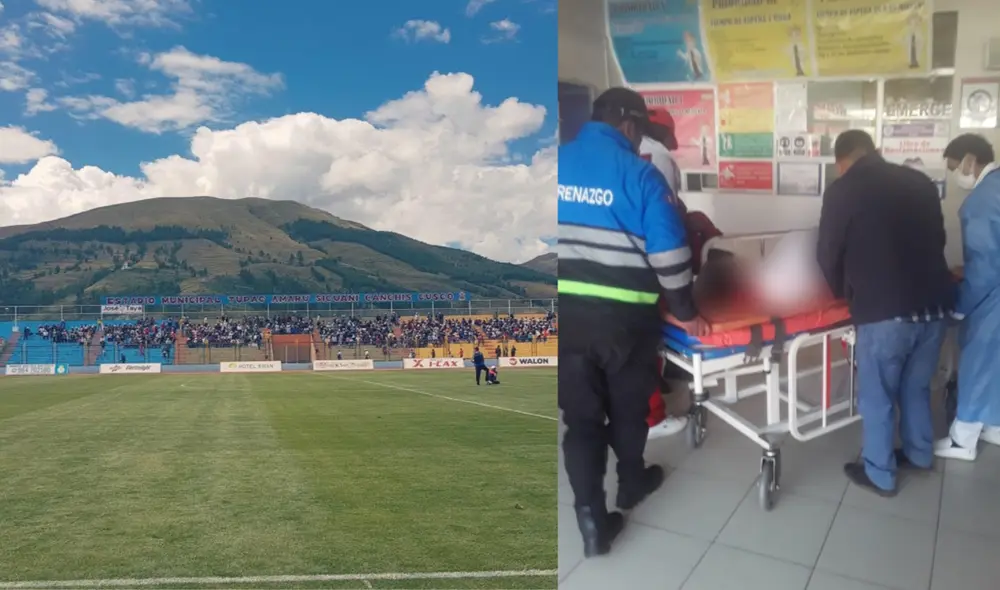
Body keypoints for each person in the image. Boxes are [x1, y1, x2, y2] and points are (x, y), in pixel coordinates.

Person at [558, 87, 708, 556]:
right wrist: (687, 313)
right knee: (627, 409)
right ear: (629, 124)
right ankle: (630, 484)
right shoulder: (641, 176)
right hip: (624, 320)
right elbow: (670, 256)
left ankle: (591, 523)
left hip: (562, 319)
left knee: (580, 422)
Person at [817, 130, 955, 496]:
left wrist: (842, 294)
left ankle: (880, 473)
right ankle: (920, 454)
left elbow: (828, 253)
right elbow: (938, 241)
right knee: (915, 386)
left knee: (877, 396)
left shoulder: (844, 189)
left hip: (885, 311)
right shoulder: (919, 181)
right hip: (936, 305)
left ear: (841, 161)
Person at [935, 134, 1000, 461]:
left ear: (970, 161)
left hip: (993, 299)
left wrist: (959, 307)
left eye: (954, 167)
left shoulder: (981, 202)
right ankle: (994, 426)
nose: (955, 175)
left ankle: (963, 440)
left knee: (977, 360)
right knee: (997, 364)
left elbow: (986, 268)